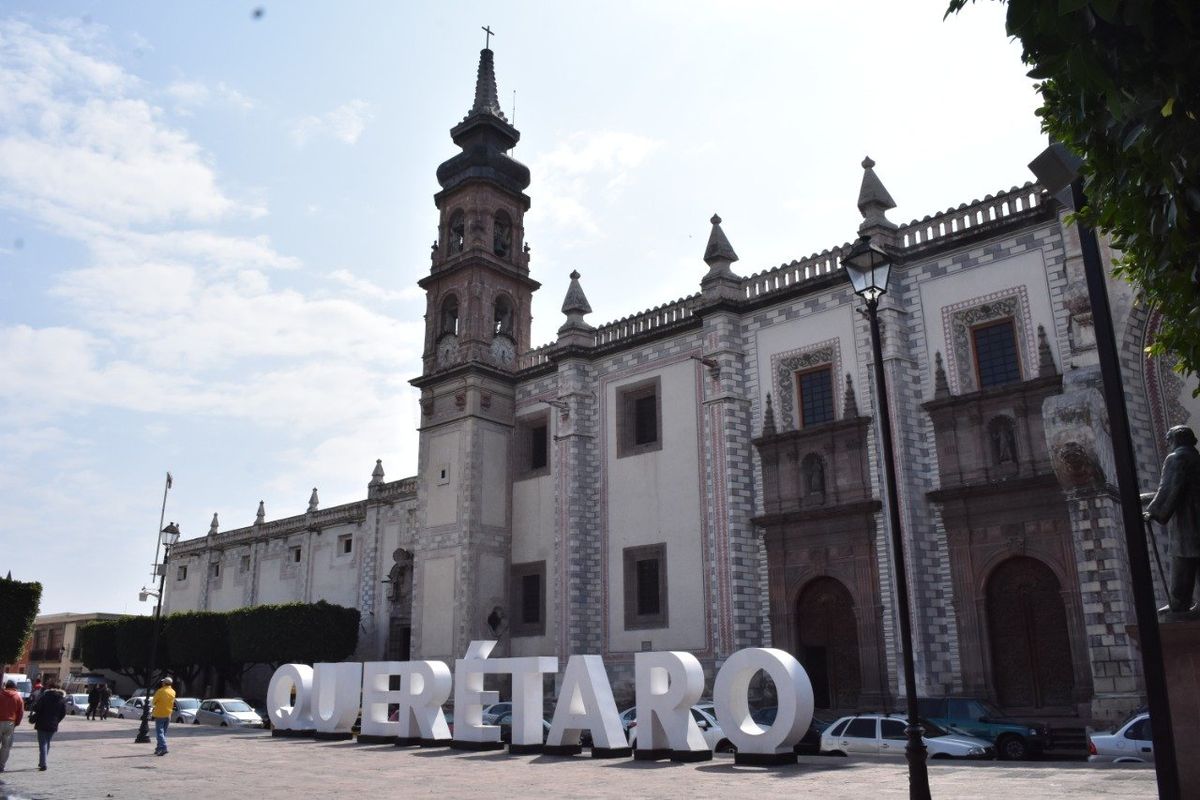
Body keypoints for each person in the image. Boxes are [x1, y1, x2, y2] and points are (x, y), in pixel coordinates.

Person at [1146, 424, 1200, 618]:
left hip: (1188, 521)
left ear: (1176, 439)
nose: (1167, 443)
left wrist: (1153, 512)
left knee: (1182, 561)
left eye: (1168, 439)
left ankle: (1178, 604)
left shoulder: (1176, 458)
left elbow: (1168, 488)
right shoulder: (1196, 458)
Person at [29, 679, 66, 771]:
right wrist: (57, 720)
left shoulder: (45, 696)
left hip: (42, 723)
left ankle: (43, 763)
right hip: (53, 724)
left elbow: (37, 708)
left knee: (43, 743)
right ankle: (43, 761)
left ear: (49, 687)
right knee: (47, 742)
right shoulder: (61, 698)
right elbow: (63, 713)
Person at [0, 679, 24, 773]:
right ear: (14, 687)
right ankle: (1, 766)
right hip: (10, 723)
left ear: (6, 686)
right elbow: (21, 712)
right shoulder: (18, 697)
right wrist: (16, 723)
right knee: (6, 746)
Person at [151, 677, 176, 756]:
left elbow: (153, 702)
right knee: (163, 733)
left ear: (164, 683)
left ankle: (164, 747)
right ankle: (159, 748)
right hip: (168, 714)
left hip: (160, 714)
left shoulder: (160, 691)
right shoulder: (173, 691)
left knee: (159, 732)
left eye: (163, 682)